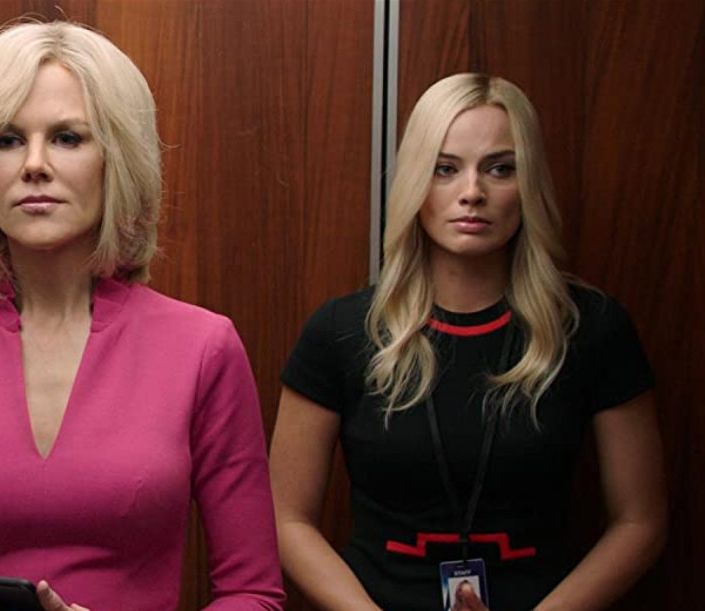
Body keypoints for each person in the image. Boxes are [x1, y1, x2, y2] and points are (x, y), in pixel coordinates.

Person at [0, 22, 283, 611]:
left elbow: (252, 593)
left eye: (67, 137)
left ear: (117, 159)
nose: (34, 164)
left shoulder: (203, 347)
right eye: (6, 139)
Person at [270, 73, 666, 610]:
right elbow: (286, 518)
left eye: (500, 168)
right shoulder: (339, 331)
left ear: (529, 184)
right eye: (445, 168)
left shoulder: (591, 328)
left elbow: (640, 522)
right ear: (415, 182)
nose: (473, 192)